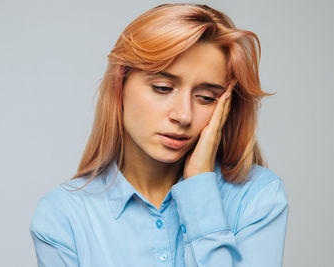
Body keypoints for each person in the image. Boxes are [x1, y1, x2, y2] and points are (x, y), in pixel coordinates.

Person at [29, 3, 289, 266]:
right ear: (120, 85)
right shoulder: (62, 216)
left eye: (206, 97)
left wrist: (199, 185)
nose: (183, 115)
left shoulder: (257, 197)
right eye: (163, 88)